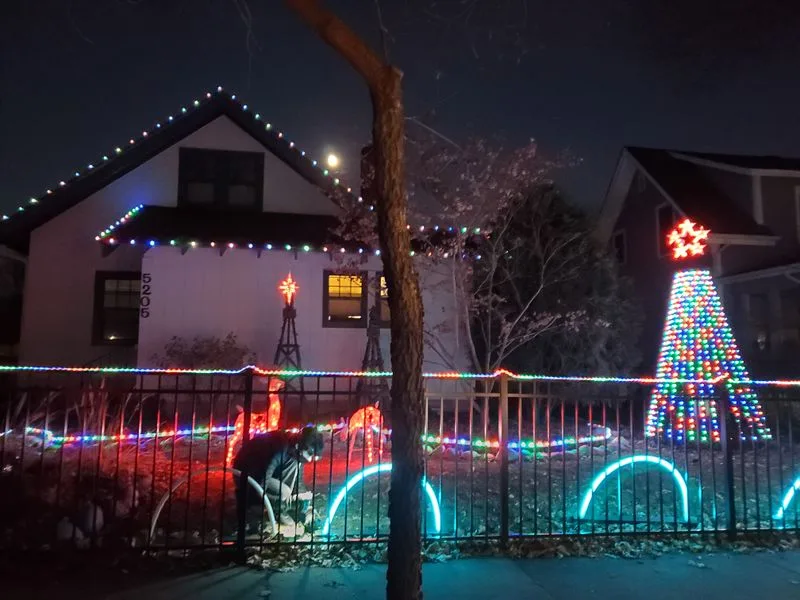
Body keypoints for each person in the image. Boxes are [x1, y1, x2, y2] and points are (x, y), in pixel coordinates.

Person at [233, 426, 324, 536]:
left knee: (293, 469)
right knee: (284, 491)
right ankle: (259, 509)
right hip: (247, 473)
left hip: (264, 473)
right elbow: (262, 480)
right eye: (310, 454)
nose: (310, 460)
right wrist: (272, 503)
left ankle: (276, 508)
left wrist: (306, 505)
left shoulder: (294, 450)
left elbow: (297, 480)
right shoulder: (280, 447)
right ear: (299, 445)